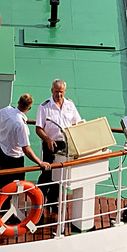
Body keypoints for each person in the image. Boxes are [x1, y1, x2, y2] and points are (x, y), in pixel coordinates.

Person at [35, 79, 83, 219]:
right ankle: (39, 199)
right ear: (52, 91)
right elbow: (38, 128)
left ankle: (53, 200)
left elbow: (77, 123)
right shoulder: (44, 107)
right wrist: (48, 139)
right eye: (56, 92)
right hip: (50, 143)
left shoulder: (70, 105)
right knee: (47, 173)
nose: (59, 95)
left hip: (65, 144)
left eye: (61, 92)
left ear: (65, 91)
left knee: (60, 173)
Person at [0, 93, 46, 174]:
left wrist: (1, 131)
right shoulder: (21, 125)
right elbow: (26, 149)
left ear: (18, 102)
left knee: (4, 180)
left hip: (2, 153)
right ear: (29, 108)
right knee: (17, 184)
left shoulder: (7, 110)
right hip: (14, 159)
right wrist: (40, 162)